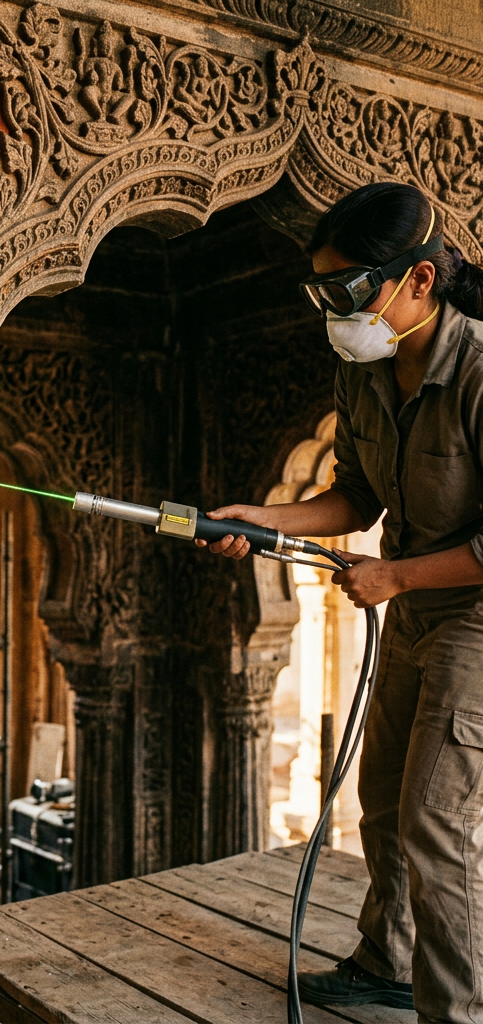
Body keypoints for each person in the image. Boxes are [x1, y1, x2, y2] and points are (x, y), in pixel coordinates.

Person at [200, 181, 483, 1022]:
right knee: (385, 800)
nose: (334, 310)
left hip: (472, 618)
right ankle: (385, 962)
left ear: (419, 282)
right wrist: (268, 518)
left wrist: (393, 577)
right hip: (412, 606)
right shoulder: (363, 369)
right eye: (322, 291)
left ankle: (456, 1011)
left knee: (438, 820)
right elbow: (357, 498)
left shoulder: (478, 370)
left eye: (350, 289)